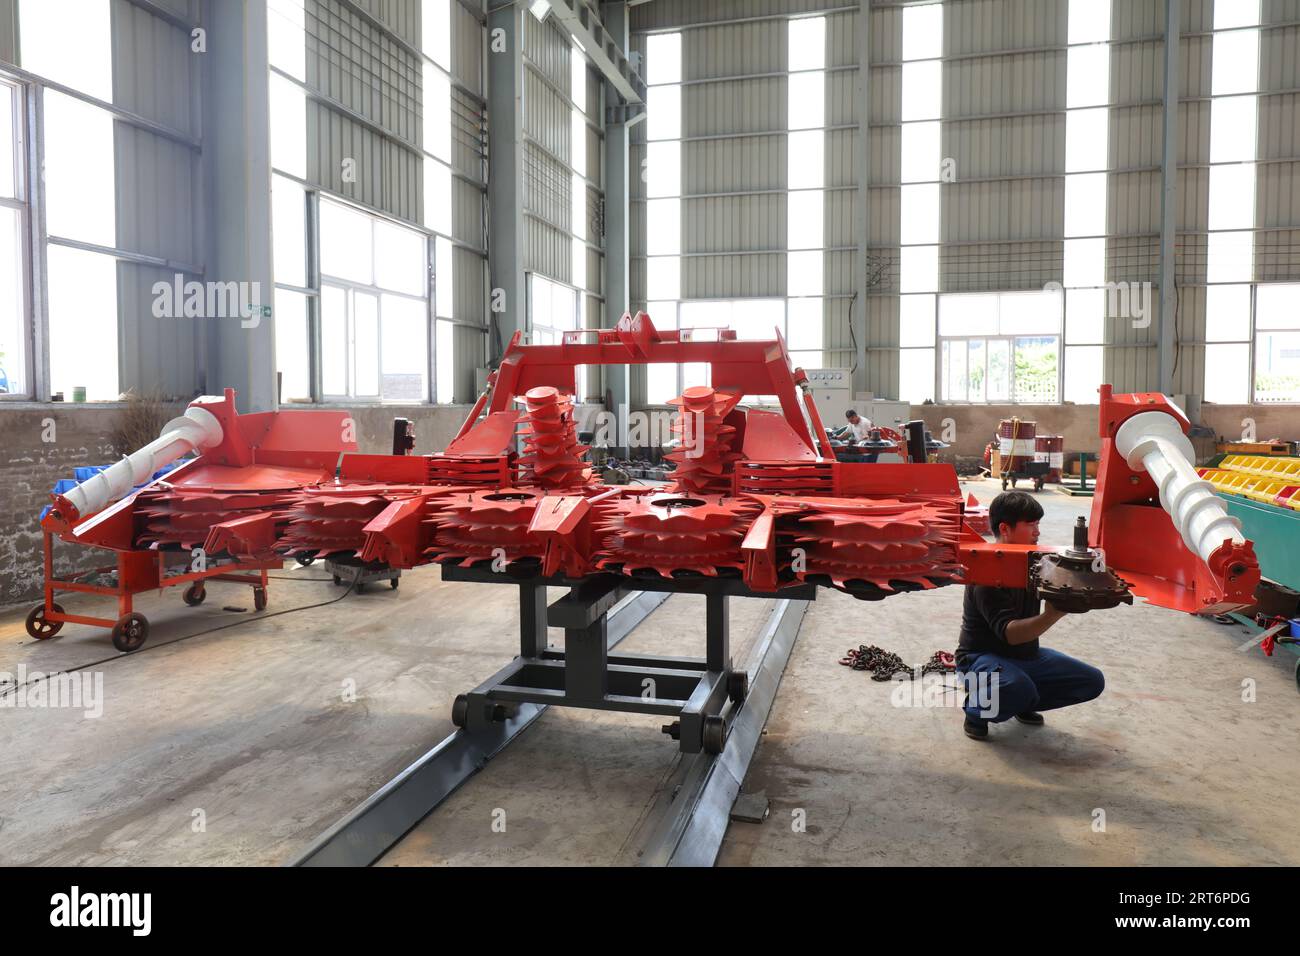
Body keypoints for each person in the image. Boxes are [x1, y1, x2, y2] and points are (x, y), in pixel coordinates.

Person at [957, 491, 1106, 741]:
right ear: (1005, 528)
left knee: (1090, 680)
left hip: (1025, 657)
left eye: (1038, 524)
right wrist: (1052, 614)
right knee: (1015, 686)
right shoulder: (986, 574)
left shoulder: (1035, 562)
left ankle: (1020, 702)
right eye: (1030, 525)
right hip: (979, 659)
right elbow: (1011, 634)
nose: (1037, 532)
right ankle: (975, 711)